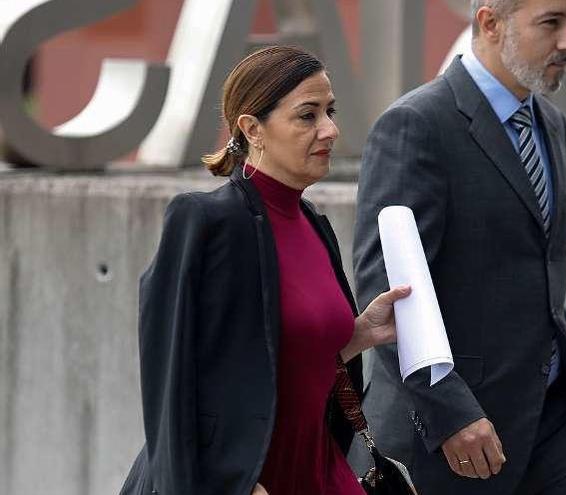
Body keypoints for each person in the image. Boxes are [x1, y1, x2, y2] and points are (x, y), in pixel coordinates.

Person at [352, 1, 566, 494]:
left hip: (552, 411)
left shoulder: (551, 123)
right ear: (490, 23)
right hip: (450, 431)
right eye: (552, 23)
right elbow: (387, 290)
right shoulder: (415, 126)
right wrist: (449, 411)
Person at [119, 45, 410, 495]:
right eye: (307, 115)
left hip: (320, 468)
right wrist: (228, 484)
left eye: (330, 111)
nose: (330, 129)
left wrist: (360, 335)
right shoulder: (205, 221)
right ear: (252, 128)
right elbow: (171, 378)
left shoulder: (313, 222)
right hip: (240, 480)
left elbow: (284, 357)